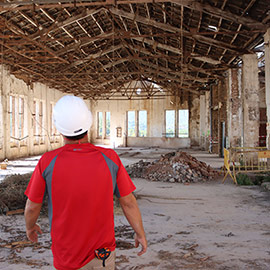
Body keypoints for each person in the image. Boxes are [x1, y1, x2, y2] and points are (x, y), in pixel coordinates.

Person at [24, 95, 147, 270]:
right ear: (88, 124)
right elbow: (128, 202)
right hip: (102, 254)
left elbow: (32, 207)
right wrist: (140, 233)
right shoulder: (110, 158)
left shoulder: (48, 161)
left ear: (59, 128)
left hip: (67, 255)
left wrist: (30, 227)